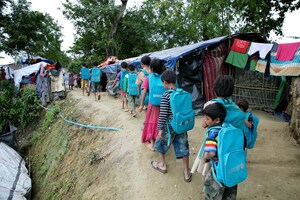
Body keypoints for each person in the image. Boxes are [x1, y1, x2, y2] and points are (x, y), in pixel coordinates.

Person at [150, 70, 192, 182]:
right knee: (184, 145)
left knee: (160, 144)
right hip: (181, 125)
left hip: (169, 126)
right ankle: (186, 171)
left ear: (164, 82)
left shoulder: (166, 95)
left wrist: (159, 130)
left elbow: (163, 115)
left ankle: (162, 165)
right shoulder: (182, 93)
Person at [201, 102, 236, 200]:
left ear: (217, 120)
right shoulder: (227, 127)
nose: (205, 121)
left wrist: (205, 158)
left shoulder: (212, 134)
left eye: (207, 119)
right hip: (230, 167)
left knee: (212, 192)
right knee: (229, 191)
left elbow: (211, 153)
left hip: (218, 169)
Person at [139, 58, 165, 151]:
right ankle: (162, 140)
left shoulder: (148, 78)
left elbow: (144, 92)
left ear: (152, 68)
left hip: (152, 105)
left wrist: (141, 104)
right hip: (163, 105)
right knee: (161, 122)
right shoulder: (164, 78)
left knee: (151, 122)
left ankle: (153, 144)